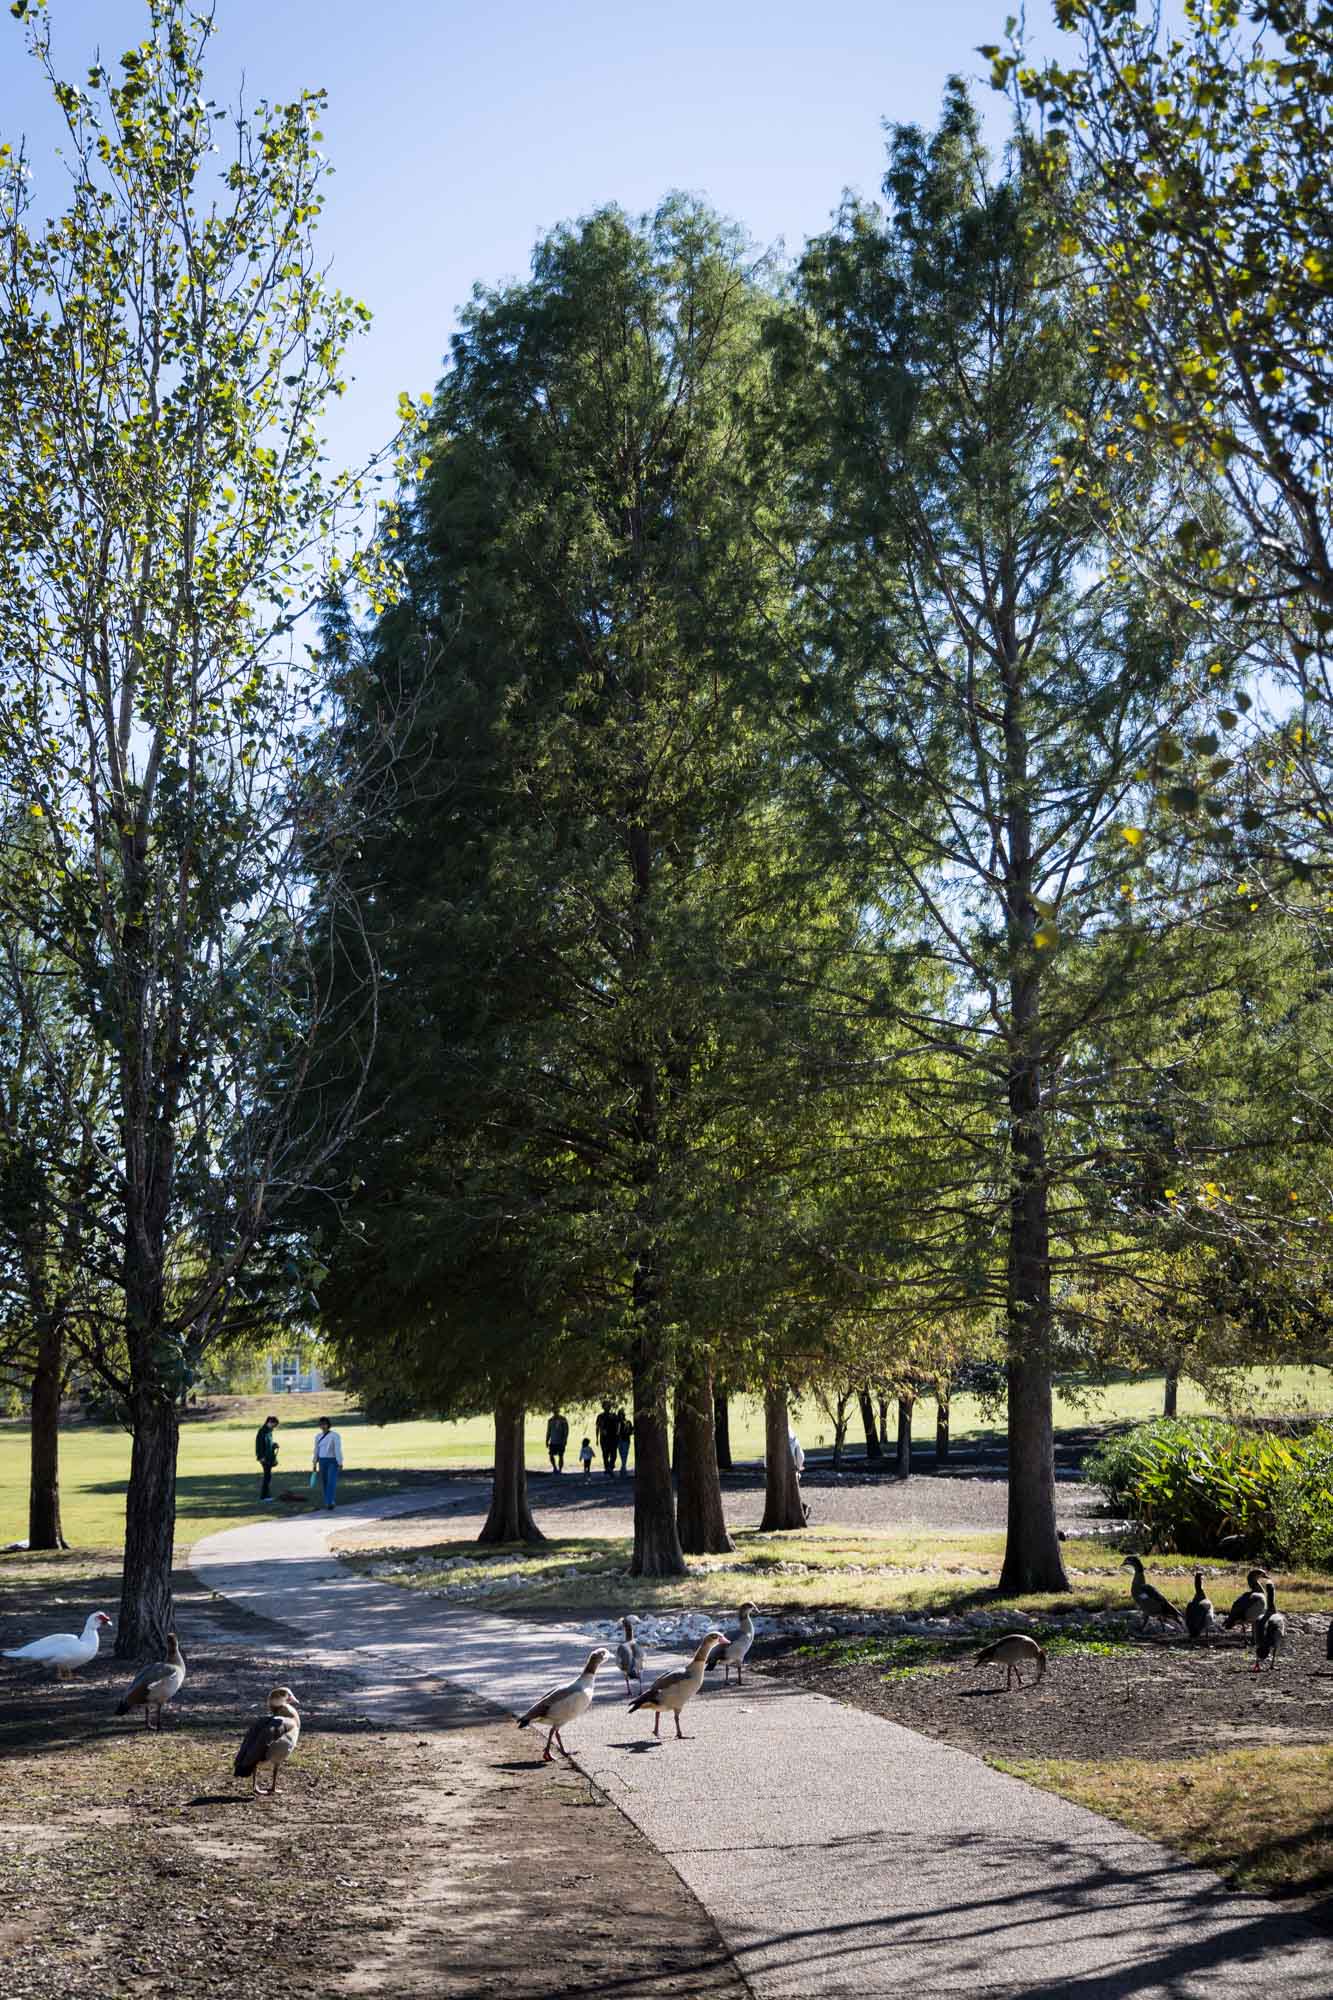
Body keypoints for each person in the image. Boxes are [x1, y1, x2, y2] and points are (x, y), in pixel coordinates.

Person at [312, 1415, 343, 1510]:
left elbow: (338, 1449)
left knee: (331, 1481)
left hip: (333, 1461)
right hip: (322, 1460)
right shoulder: (318, 1436)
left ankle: (330, 1502)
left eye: (324, 1424)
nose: (323, 1426)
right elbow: (316, 1449)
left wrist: (340, 1462)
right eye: (321, 1424)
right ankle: (327, 1501)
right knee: (325, 1482)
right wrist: (314, 1462)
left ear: (328, 1425)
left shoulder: (335, 1435)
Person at [254, 1414, 279, 1502]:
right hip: (264, 1458)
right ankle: (264, 1497)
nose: (274, 1427)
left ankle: (267, 1495)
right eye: (274, 1425)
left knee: (268, 1476)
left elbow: (269, 1444)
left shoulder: (269, 1431)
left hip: (269, 1457)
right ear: (269, 1422)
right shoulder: (262, 1432)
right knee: (267, 1476)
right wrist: (261, 1457)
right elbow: (259, 1445)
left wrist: (274, 1445)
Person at [789, 1426, 811, 1524]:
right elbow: (800, 1456)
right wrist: (798, 1466)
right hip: (794, 1470)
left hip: (785, 1471)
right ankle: (803, 1507)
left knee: (790, 1494)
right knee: (792, 1493)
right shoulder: (793, 1439)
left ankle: (803, 1507)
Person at [595, 1403, 618, 1477]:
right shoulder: (600, 1416)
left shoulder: (614, 1416)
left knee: (613, 1454)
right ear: (603, 1407)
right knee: (605, 1454)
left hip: (613, 1438)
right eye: (606, 1406)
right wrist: (597, 1438)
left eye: (608, 1406)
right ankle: (607, 1468)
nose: (607, 1407)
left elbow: (618, 1426)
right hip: (604, 1438)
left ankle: (610, 1467)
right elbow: (598, 1427)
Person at [545, 1409, 569, 1474]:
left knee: (561, 1456)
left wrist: (565, 1439)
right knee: (551, 1455)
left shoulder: (563, 1419)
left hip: (561, 1441)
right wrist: (547, 1440)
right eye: (554, 1412)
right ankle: (555, 1468)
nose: (555, 1413)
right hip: (553, 1441)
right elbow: (548, 1431)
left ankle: (560, 1469)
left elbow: (566, 1431)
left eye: (556, 1411)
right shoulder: (550, 1420)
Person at [616, 1409, 633, 1478]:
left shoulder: (627, 1422)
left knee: (624, 1454)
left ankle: (623, 1469)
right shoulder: (617, 1423)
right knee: (622, 1454)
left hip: (625, 1440)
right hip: (620, 1440)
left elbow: (631, 1431)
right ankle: (623, 1468)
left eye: (622, 1414)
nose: (621, 1416)